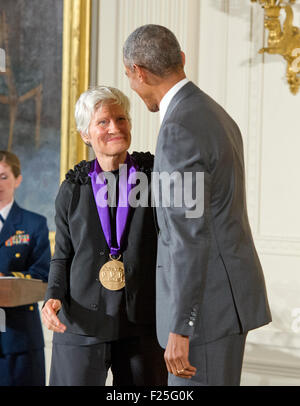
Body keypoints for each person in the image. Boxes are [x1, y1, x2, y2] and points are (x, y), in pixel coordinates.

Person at [123, 24, 272, 386]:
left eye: (129, 76)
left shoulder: (178, 129)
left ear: (139, 72)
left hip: (205, 313)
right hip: (226, 301)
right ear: (182, 60)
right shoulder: (213, 113)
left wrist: (181, 325)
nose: (132, 84)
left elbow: (189, 235)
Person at [42, 86, 167, 386]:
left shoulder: (155, 178)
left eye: (121, 119)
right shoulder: (73, 187)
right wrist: (53, 297)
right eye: (103, 122)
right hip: (81, 323)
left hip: (142, 324)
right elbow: (63, 255)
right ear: (86, 134)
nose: (115, 127)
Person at [0, 150, 50, 386]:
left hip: (19, 340)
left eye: (3, 176)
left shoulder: (34, 224)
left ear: (17, 179)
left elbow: (42, 277)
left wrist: (6, 279)